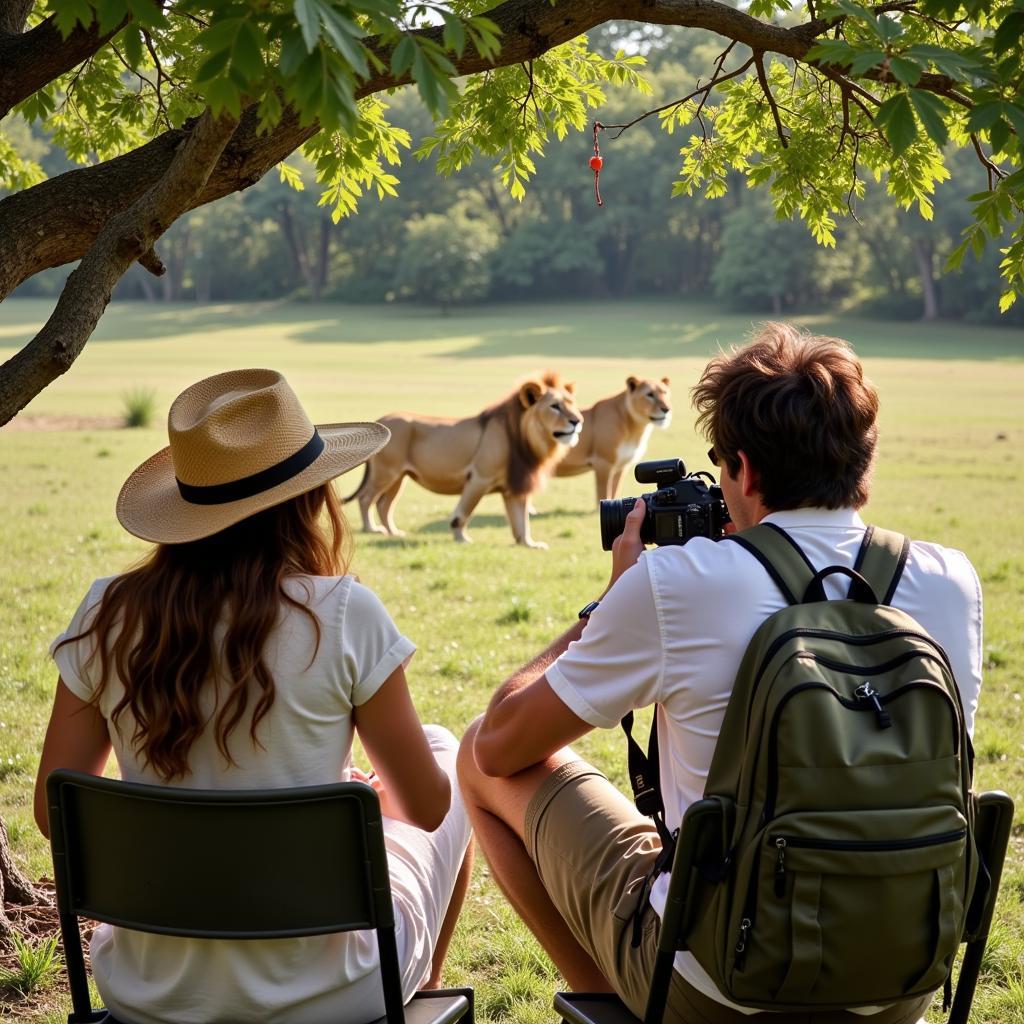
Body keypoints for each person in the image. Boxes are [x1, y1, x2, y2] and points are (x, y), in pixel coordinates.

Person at [457, 324, 982, 1024]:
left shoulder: (678, 584)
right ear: (864, 459)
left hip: (716, 988)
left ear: (744, 470)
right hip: (903, 979)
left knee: (473, 759)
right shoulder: (952, 580)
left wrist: (610, 604)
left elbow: (500, 746)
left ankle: (615, 1005)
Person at [34, 368, 473, 1024]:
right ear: (307, 499)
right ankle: (418, 994)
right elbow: (430, 807)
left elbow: (53, 811)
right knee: (449, 754)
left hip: (151, 994)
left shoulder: (107, 614)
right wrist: (365, 804)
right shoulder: (344, 614)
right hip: (332, 995)